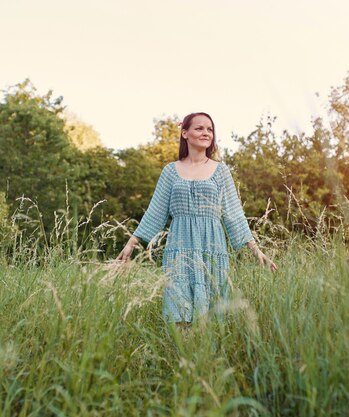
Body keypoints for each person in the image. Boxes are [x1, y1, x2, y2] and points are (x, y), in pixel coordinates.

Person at [116, 112, 277, 327]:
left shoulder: (221, 171)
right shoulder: (170, 172)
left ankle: (206, 357)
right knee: (180, 316)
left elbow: (234, 213)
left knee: (208, 318)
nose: (206, 133)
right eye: (199, 128)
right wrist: (131, 243)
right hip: (179, 248)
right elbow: (155, 211)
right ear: (185, 133)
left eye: (210, 129)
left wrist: (255, 249)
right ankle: (183, 357)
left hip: (211, 248)